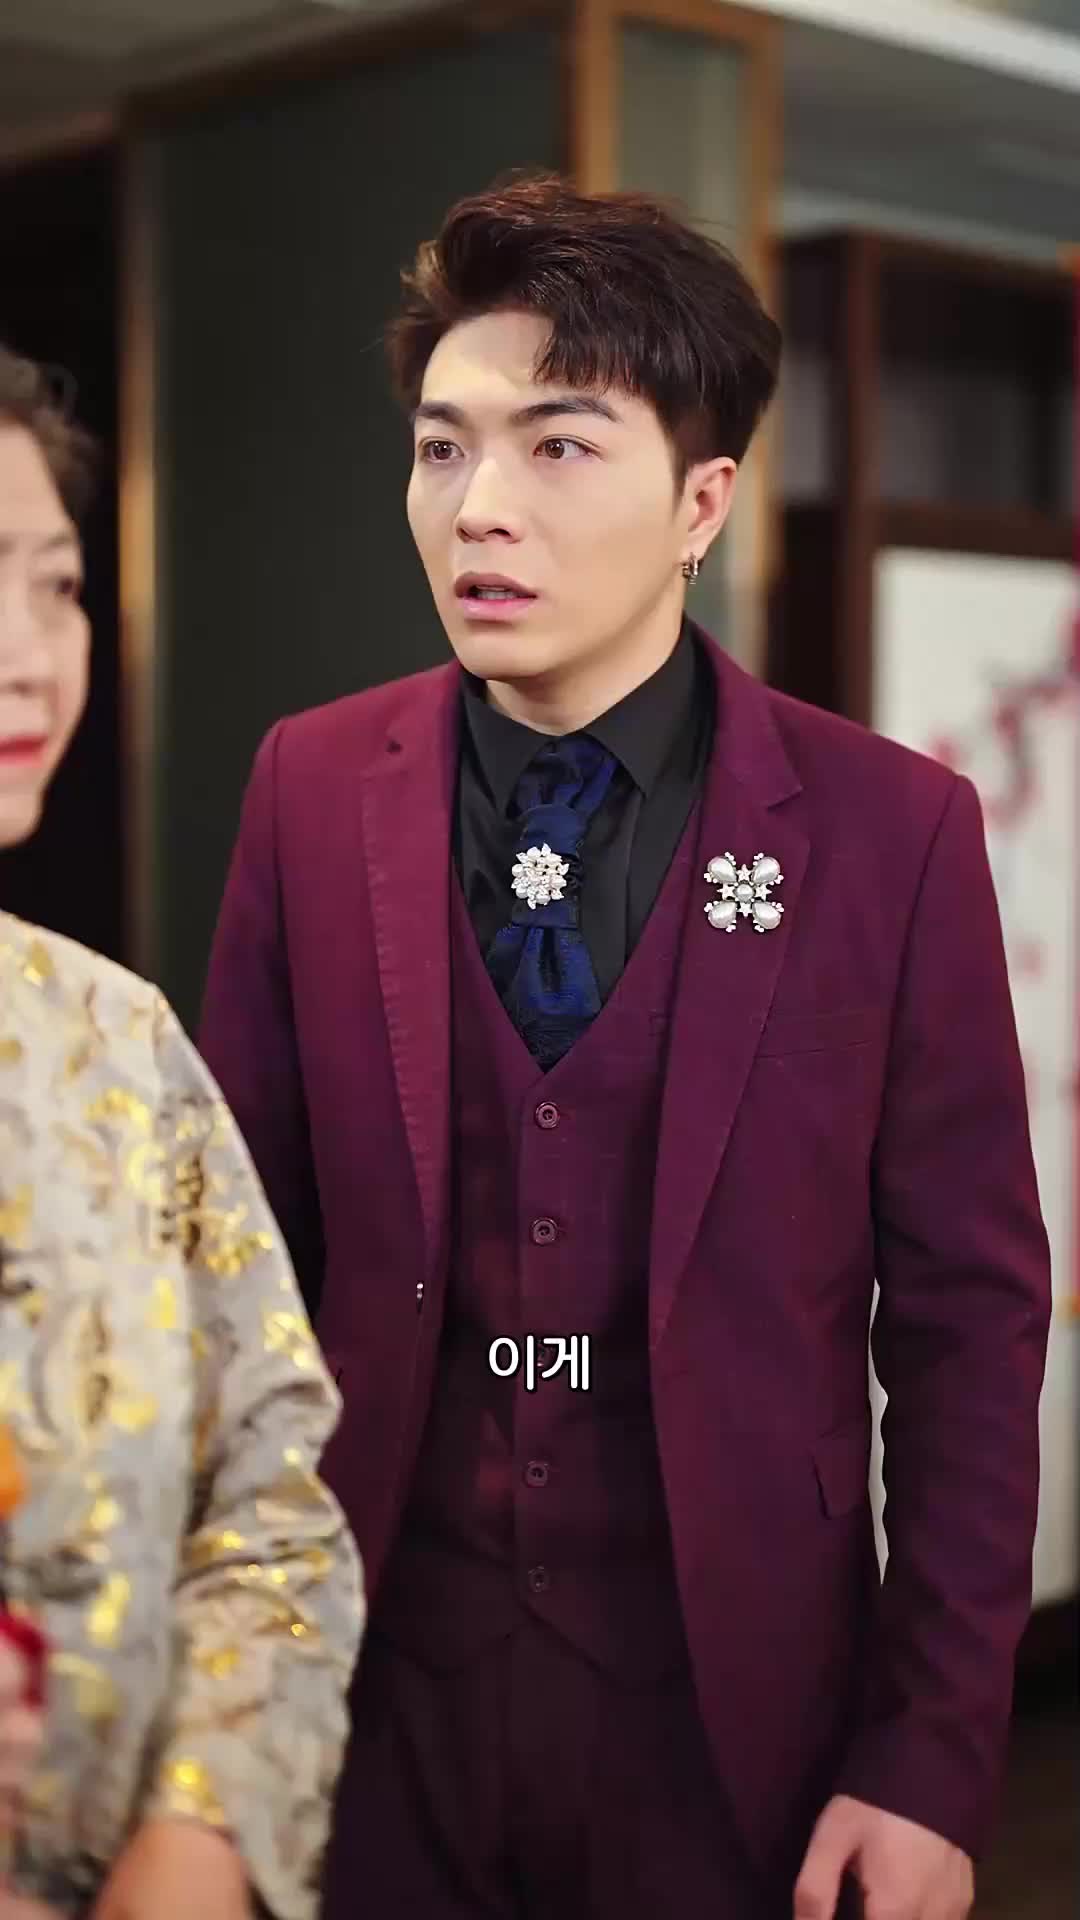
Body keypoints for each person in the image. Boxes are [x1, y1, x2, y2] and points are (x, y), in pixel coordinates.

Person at [200, 176, 1051, 1920]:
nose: (479, 507)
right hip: (378, 1701)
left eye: (560, 447)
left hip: (734, 1719)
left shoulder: (889, 833)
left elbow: (970, 1327)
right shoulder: (308, 788)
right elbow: (233, 1271)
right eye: (443, 449)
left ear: (702, 502)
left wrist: (929, 1755)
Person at [0, 344, 363, 1920]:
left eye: (56, 586)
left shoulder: (115, 1042)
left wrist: (197, 1838)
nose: (28, 656)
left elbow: (270, 1498)